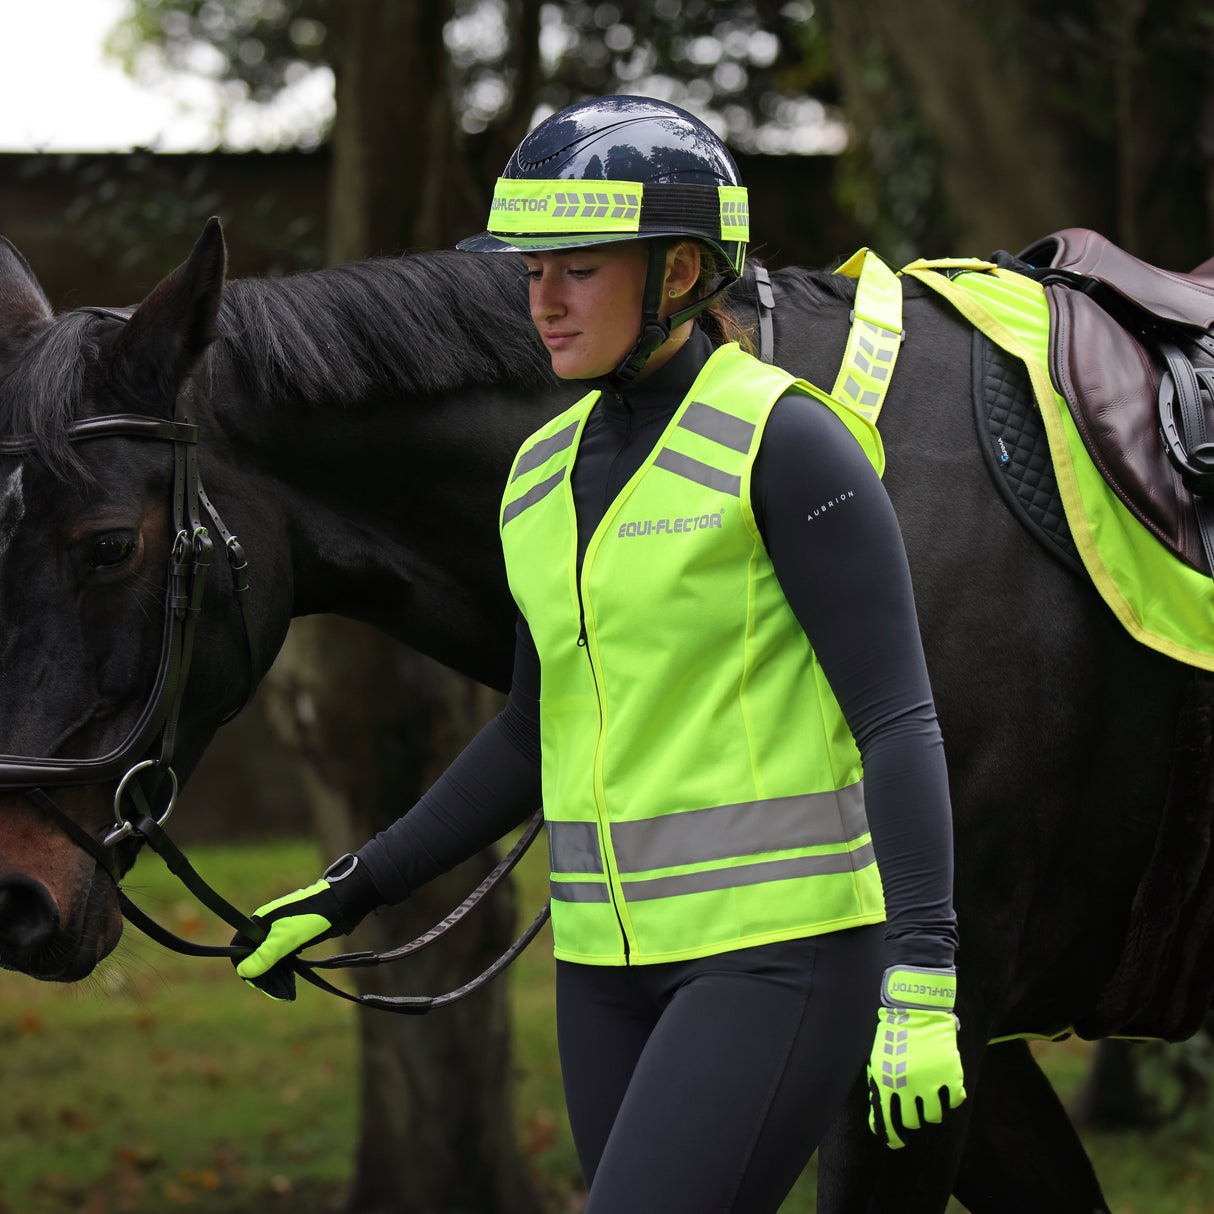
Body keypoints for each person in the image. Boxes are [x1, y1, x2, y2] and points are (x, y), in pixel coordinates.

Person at [234, 95, 965, 1212]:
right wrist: (352, 886)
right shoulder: (535, 475)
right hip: (599, 973)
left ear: (678, 270)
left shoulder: (789, 441)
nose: (541, 301)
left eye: (575, 268)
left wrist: (922, 978)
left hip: (780, 954)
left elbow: (897, 720)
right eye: (532, 271)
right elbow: (533, 731)